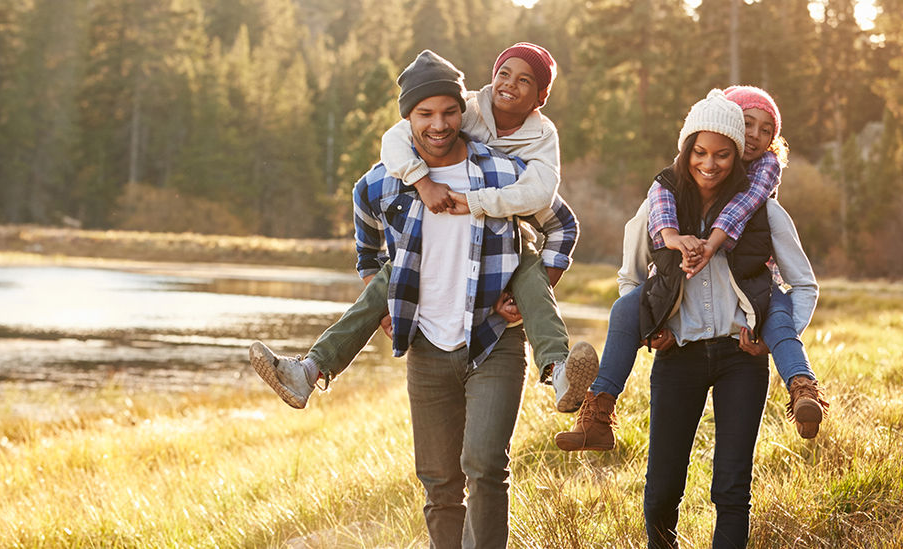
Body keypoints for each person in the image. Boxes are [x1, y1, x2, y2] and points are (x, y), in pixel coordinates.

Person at [250, 43, 597, 415]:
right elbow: (396, 138)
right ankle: (309, 371)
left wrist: (525, 290)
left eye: (525, 80)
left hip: (508, 239)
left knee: (530, 272)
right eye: (504, 74)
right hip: (431, 243)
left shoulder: (540, 140)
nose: (509, 84)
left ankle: (558, 371)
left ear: (541, 96)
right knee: (390, 277)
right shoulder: (463, 109)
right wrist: (421, 182)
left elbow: (547, 198)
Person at [554, 86, 828, 452]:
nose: (755, 137)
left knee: (777, 314)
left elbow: (745, 212)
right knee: (624, 309)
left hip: (752, 296)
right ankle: (599, 409)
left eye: (766, 130)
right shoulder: (668, 188)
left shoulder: (761, 186)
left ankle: (802, 387)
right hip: (678, 321)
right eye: (747, 124)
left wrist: (711, 244)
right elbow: (636, 262)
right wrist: (653, 323)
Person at [603, 90, 815, 547]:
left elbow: (803, 285)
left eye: (723, 153)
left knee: (732, 489)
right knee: (661, 489)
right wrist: (653, 328)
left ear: (737, 152)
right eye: (701, 152)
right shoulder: (659, 208)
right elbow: (630, 279)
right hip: (678, 355)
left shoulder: (763, 210)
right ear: (688, 150)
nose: (710, 163)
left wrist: (775, 336)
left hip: (742, 359)